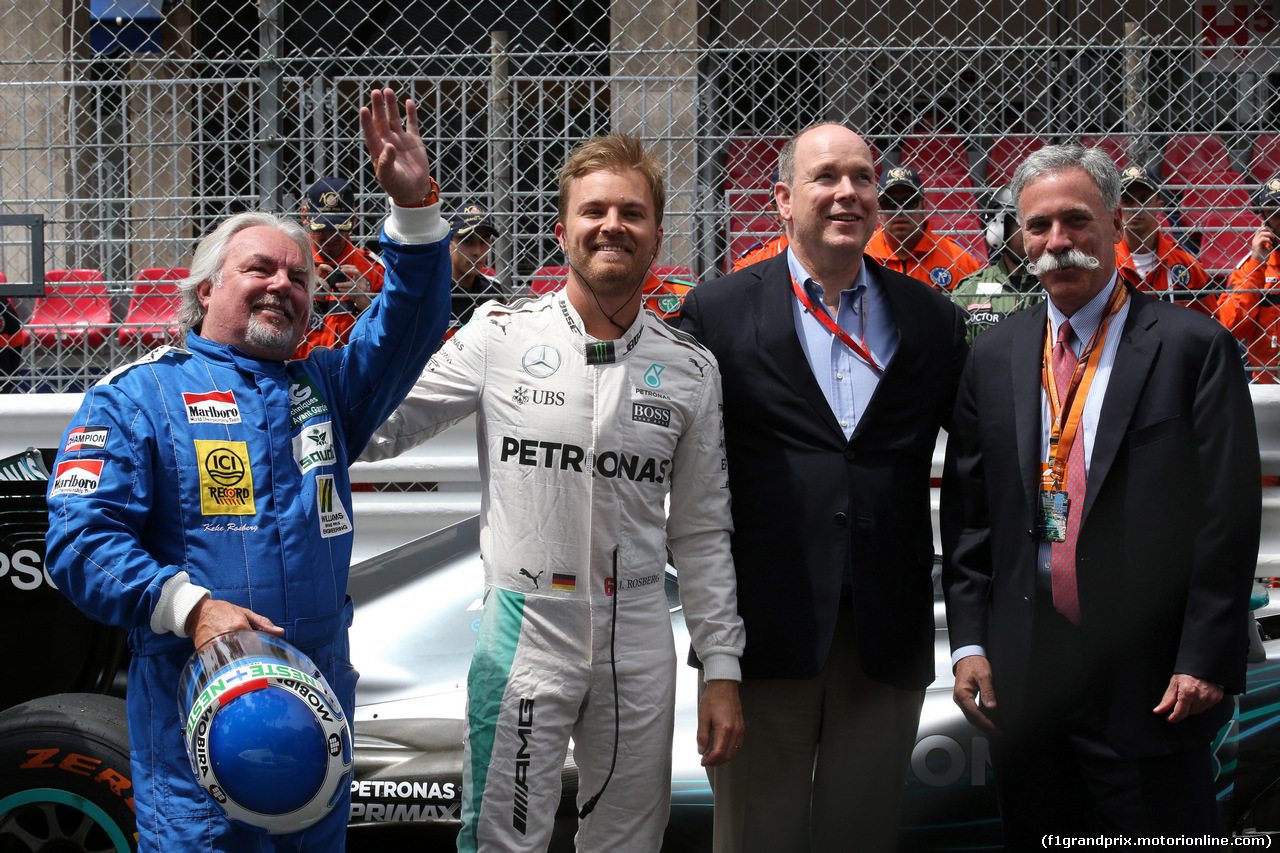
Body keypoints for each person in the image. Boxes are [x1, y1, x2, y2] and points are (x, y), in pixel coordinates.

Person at [45, 88, 452, 853]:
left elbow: (408, 325)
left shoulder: (325, 389)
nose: (284, 286)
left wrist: (414, 210)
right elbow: (78, 543)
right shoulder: (138, 397)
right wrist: (191, 608)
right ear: (206, 291)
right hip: (194, 745)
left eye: (298, 277)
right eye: (260, 269)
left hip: (317, 740)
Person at [360, 134, 746, 852]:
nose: (612, 225)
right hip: (525, 625)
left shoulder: (690, 367)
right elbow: (377, 420)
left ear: (658, 234)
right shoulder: (501, 335)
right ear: (561, 228)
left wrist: (721, 665)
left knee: (631, 841)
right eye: (593, 209)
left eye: (632, 212)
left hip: (639, 634)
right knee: (504, 840)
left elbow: (699, 529)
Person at [942, 144, 1260, 847]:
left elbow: (1227, 517)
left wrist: (1204, 654)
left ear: (1118, 223)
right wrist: (968, 641)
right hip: (1026, 683)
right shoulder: (992, 357)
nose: (1058, 242)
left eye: (1077, 220)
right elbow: (968, 516)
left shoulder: (1190, 347)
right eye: (1039, 226)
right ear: (1018, 238)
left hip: (1152, 681)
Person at [677, 122, 968, 853]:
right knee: (756, 836)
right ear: (781, 198)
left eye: (862, 178)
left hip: (887, 634)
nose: (848, 193)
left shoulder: (934, 320)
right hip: (763, 638)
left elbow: (973, 474)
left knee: (863, 835)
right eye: (826, 177)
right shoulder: (716, 312)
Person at [295, 175, 386, 357]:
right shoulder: (290, 264)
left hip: (352, 370)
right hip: (293, 370)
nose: (330, 235)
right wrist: (301, 296)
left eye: (339, 226)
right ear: (305, 217)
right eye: (322, 227)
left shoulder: (374, 270)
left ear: (354, 217)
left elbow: (393, 331)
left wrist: (367, 304)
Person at [1114, 165, 1213, 315]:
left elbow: (1212, 318)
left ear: (1159, 207)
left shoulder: (1185, 262)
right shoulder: (1106, 262)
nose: (1136, 208)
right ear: (1117, 210)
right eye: (1127, 201)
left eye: (1143, 200)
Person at [865, 164, 982, 290]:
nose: (900, 210)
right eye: (890, 203)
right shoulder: (862, 256)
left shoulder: (958, 259)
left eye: (909, 202)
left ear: (924, 206)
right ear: (878, 209)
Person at [951, 184, 1043, 341]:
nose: (1030, 232)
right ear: (999, 225)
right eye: (1021, 222)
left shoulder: (1055, 285)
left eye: (1038, 223)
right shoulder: (970, 289)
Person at [1217, 176, 1280, 383]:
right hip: (1266, 382)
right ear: (1264, 217)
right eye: (1273, 211)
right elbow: (1232, 326)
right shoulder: (1251, 267)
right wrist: (1256, 263)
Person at [448, 201, 504, 333]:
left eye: (484, 241)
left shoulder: (493, 291)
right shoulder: (432, 292)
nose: (477, 252)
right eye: (468, 241)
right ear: (448, 243)